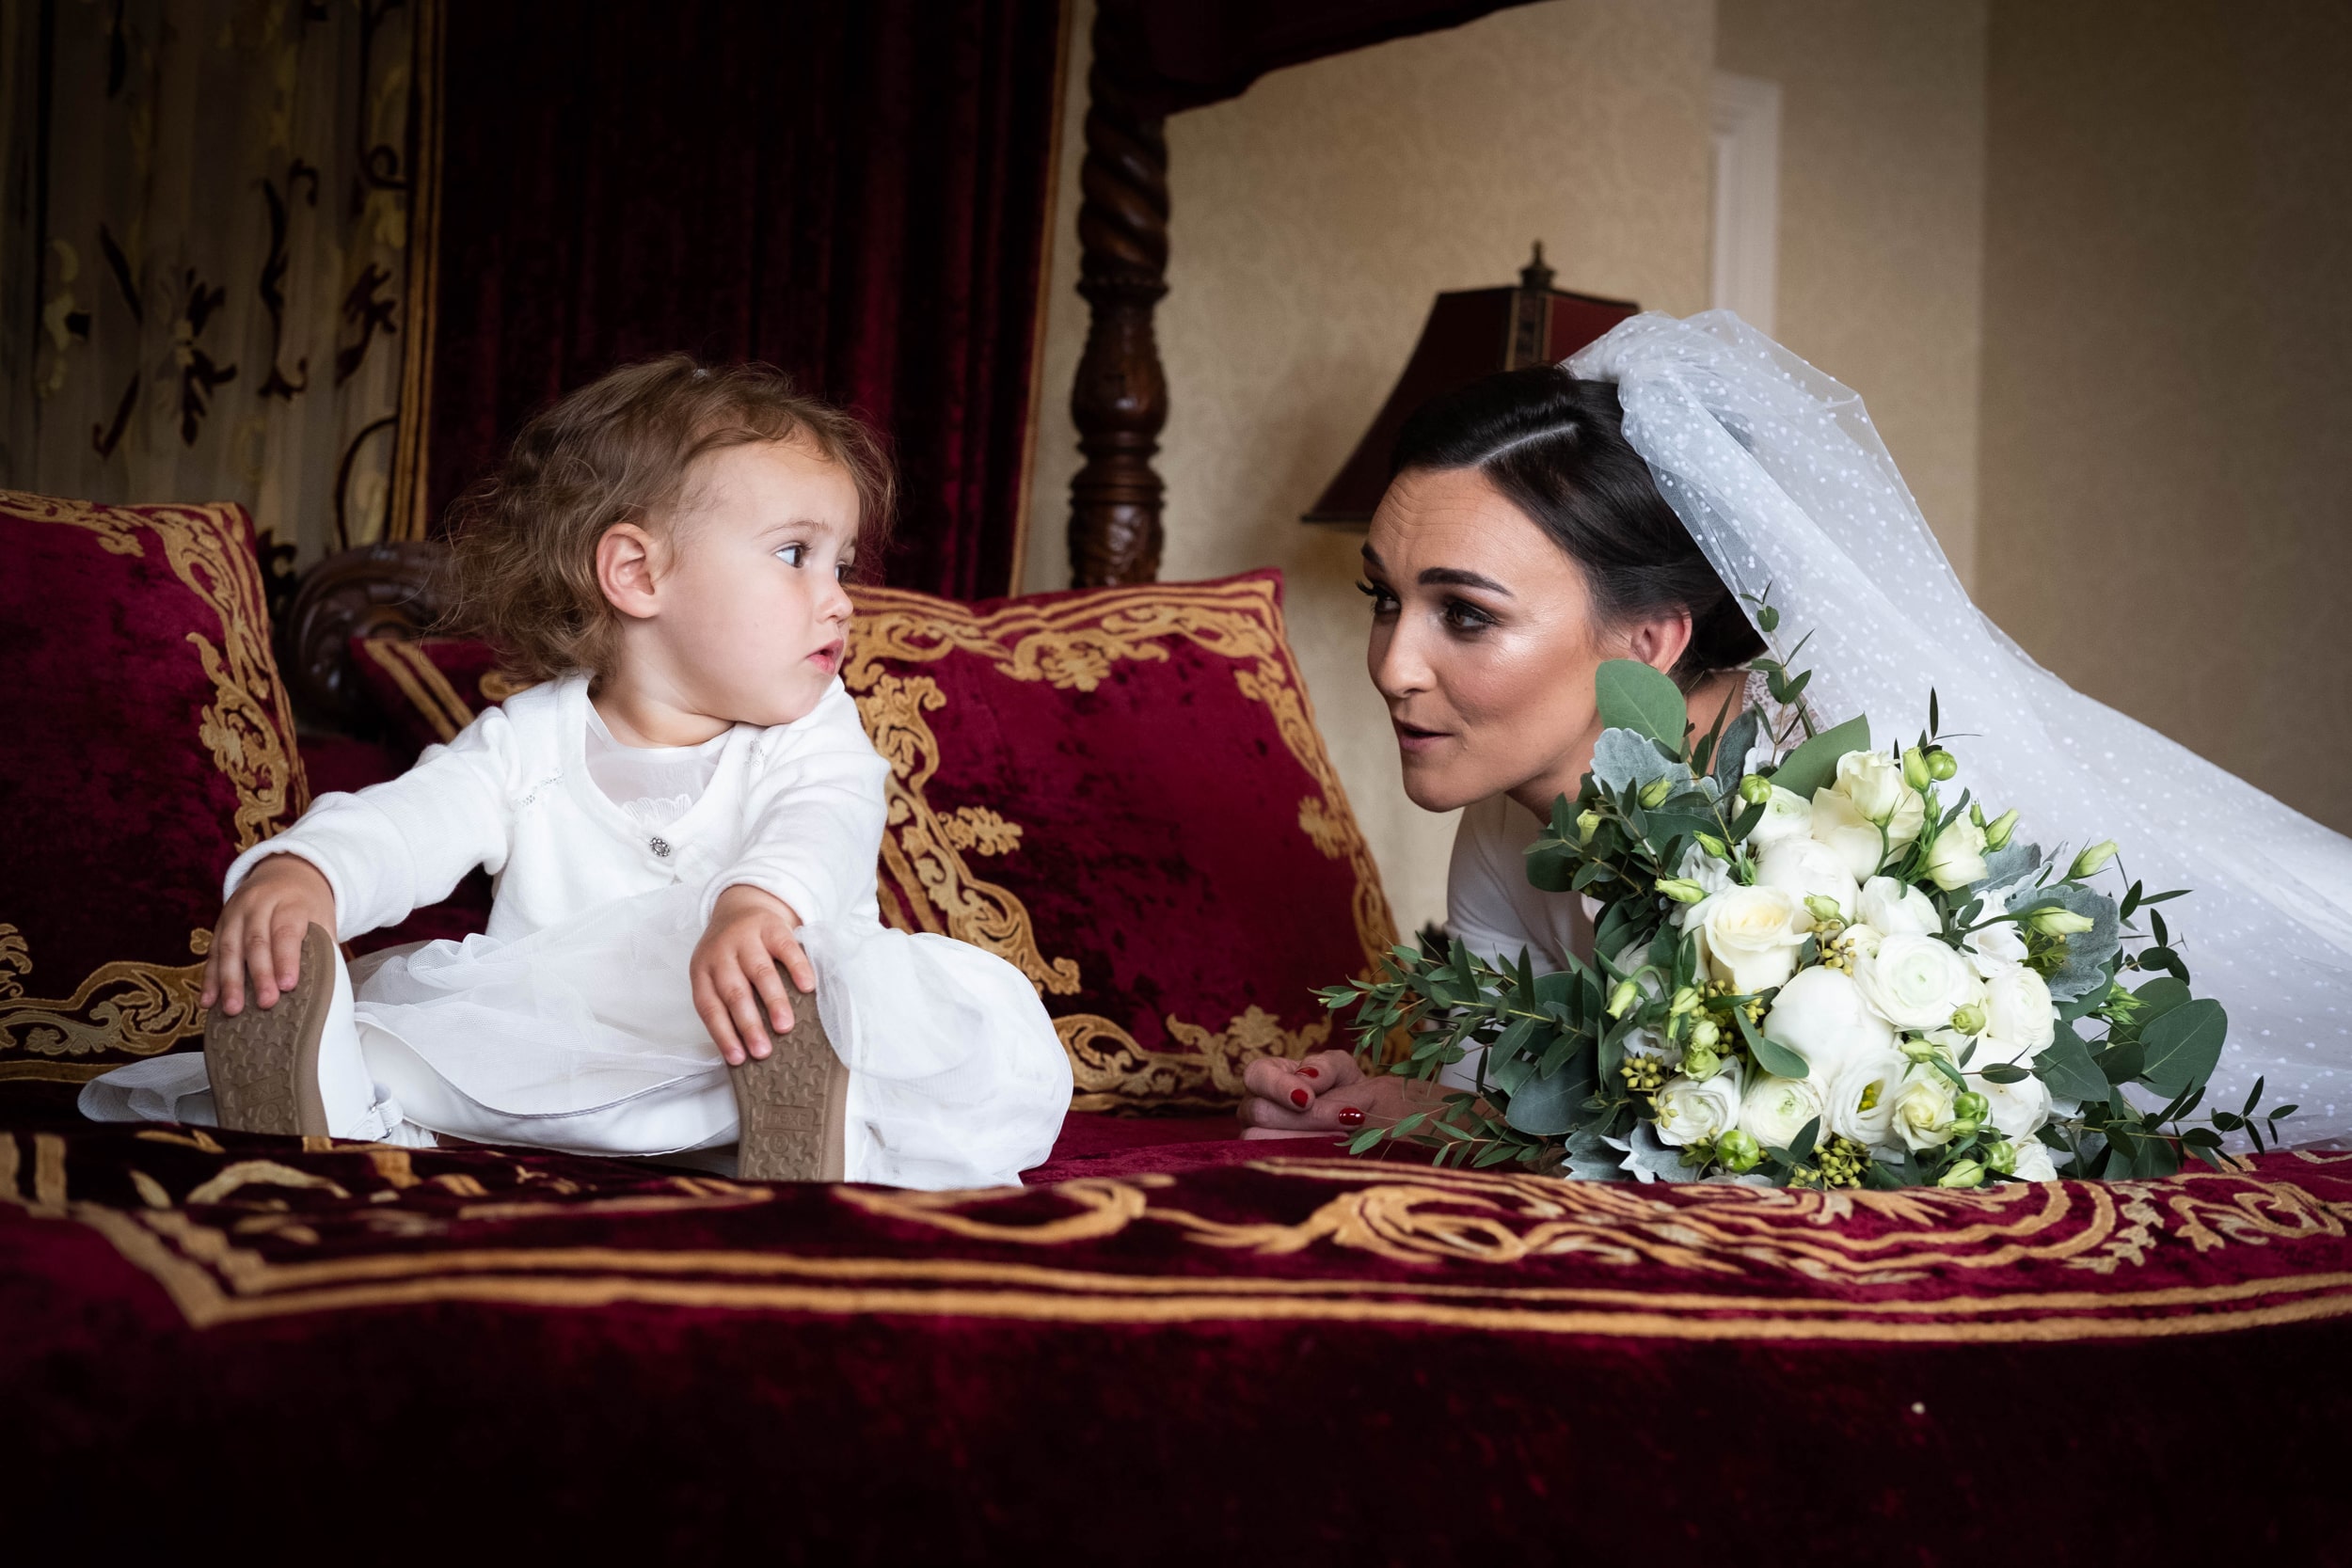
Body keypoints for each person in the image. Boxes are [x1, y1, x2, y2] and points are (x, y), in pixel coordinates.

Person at [1242, 311, 2352, 1148]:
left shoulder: (1848, 817)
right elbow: (1533, 1100)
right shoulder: (1502, 827)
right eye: (1382, 596)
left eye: (1466, 614)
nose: (1392, 664)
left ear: (1649, 643)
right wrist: (1395, 1103)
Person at [83, 356, 1073, 1187]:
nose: (839, 599)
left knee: (959, 1036)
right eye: (795, 554)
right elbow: (415, 819)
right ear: (638, 574)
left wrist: (754, 907)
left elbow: (821, 824)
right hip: (558, 1040)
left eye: (840, 563)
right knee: (403, 1042)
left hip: (759, 1017)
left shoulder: (813, 731)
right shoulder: (529, 740)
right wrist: (309, 873)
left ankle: (807, 1125)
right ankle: (326, 1104)